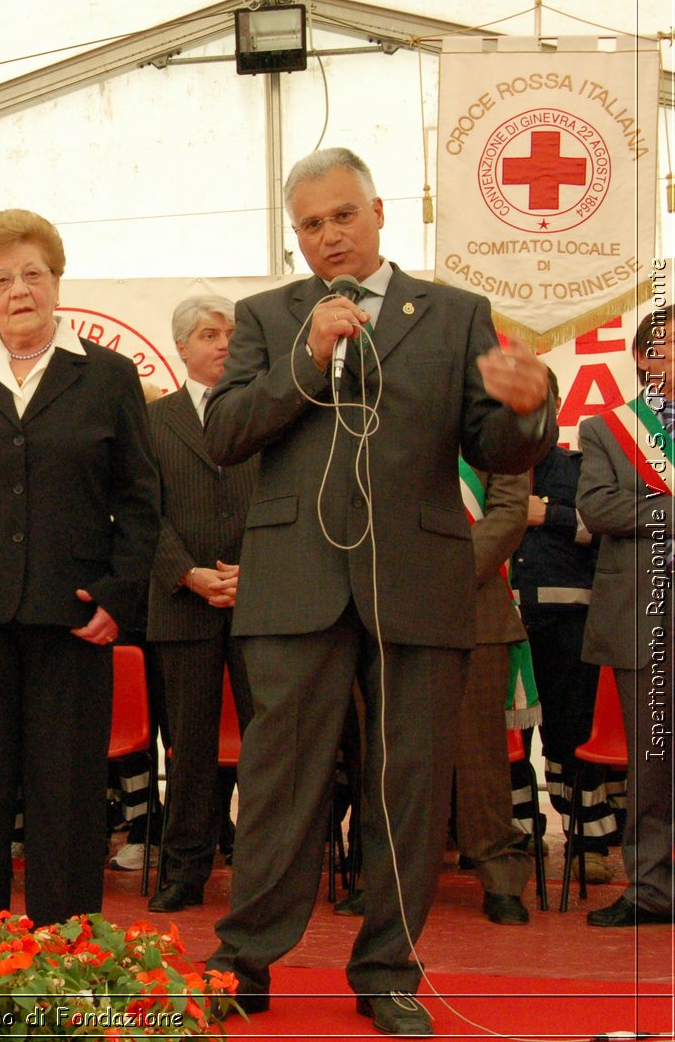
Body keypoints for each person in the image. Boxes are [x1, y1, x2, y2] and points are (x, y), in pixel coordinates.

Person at [201, 147, 555, 1035]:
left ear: (380, 211)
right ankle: (245, 959)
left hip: (418, 583)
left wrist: (526, 406)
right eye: (311, 225)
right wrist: (305, 361)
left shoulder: (455, 314)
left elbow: (495, 448)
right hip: (293, 586)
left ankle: (388, 967)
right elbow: (226, 434)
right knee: (280, 785)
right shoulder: (265, 316)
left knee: (408, 789)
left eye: (343, 215)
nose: (329, 236)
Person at [0, 209, 159, 929]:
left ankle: (67, 952)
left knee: (68, 795)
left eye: (33, 273)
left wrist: (117, 596)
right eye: (1, 278)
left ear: (56, 282)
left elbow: (141, 501)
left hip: (74, 619)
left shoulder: (107, 377)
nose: (19, 289)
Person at [144, 295, 256, 912]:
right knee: (188, 747)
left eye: (232, 335)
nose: (223, 344)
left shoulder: (265, 414)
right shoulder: (153, 419)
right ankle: (184, 872)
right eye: (210, 334)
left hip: (259, 604)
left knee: (267, 746)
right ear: (182, 346)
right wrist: (186, 573)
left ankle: (265, 870)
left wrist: (255, 573)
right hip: (181, 606)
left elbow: (283, 503)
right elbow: (142, 512)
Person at [577, 304, 674, 928]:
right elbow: (598, 507)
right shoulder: (609, 429)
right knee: (654, 764)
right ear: (643, 359)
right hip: (645, 616)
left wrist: (648, 502)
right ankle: (651, 891)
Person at [511, 369, 614, 883]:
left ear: (555, 403)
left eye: (537, 400)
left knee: (570, 735)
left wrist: (546, 514)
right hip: (501, 627)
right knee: (506, 739)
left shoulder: (583, 464)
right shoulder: (481, 469)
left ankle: (589, 841)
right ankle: (517, 837)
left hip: (571, 623)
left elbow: (608, 526)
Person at [451, 465, 536, 924]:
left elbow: (507, 513)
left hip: (476, 606)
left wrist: (444, 573)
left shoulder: (497, 422)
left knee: (481, 758)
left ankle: (500, 879)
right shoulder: (380, 409)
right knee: (388, 753)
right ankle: (387, 879)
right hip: (388, 605)